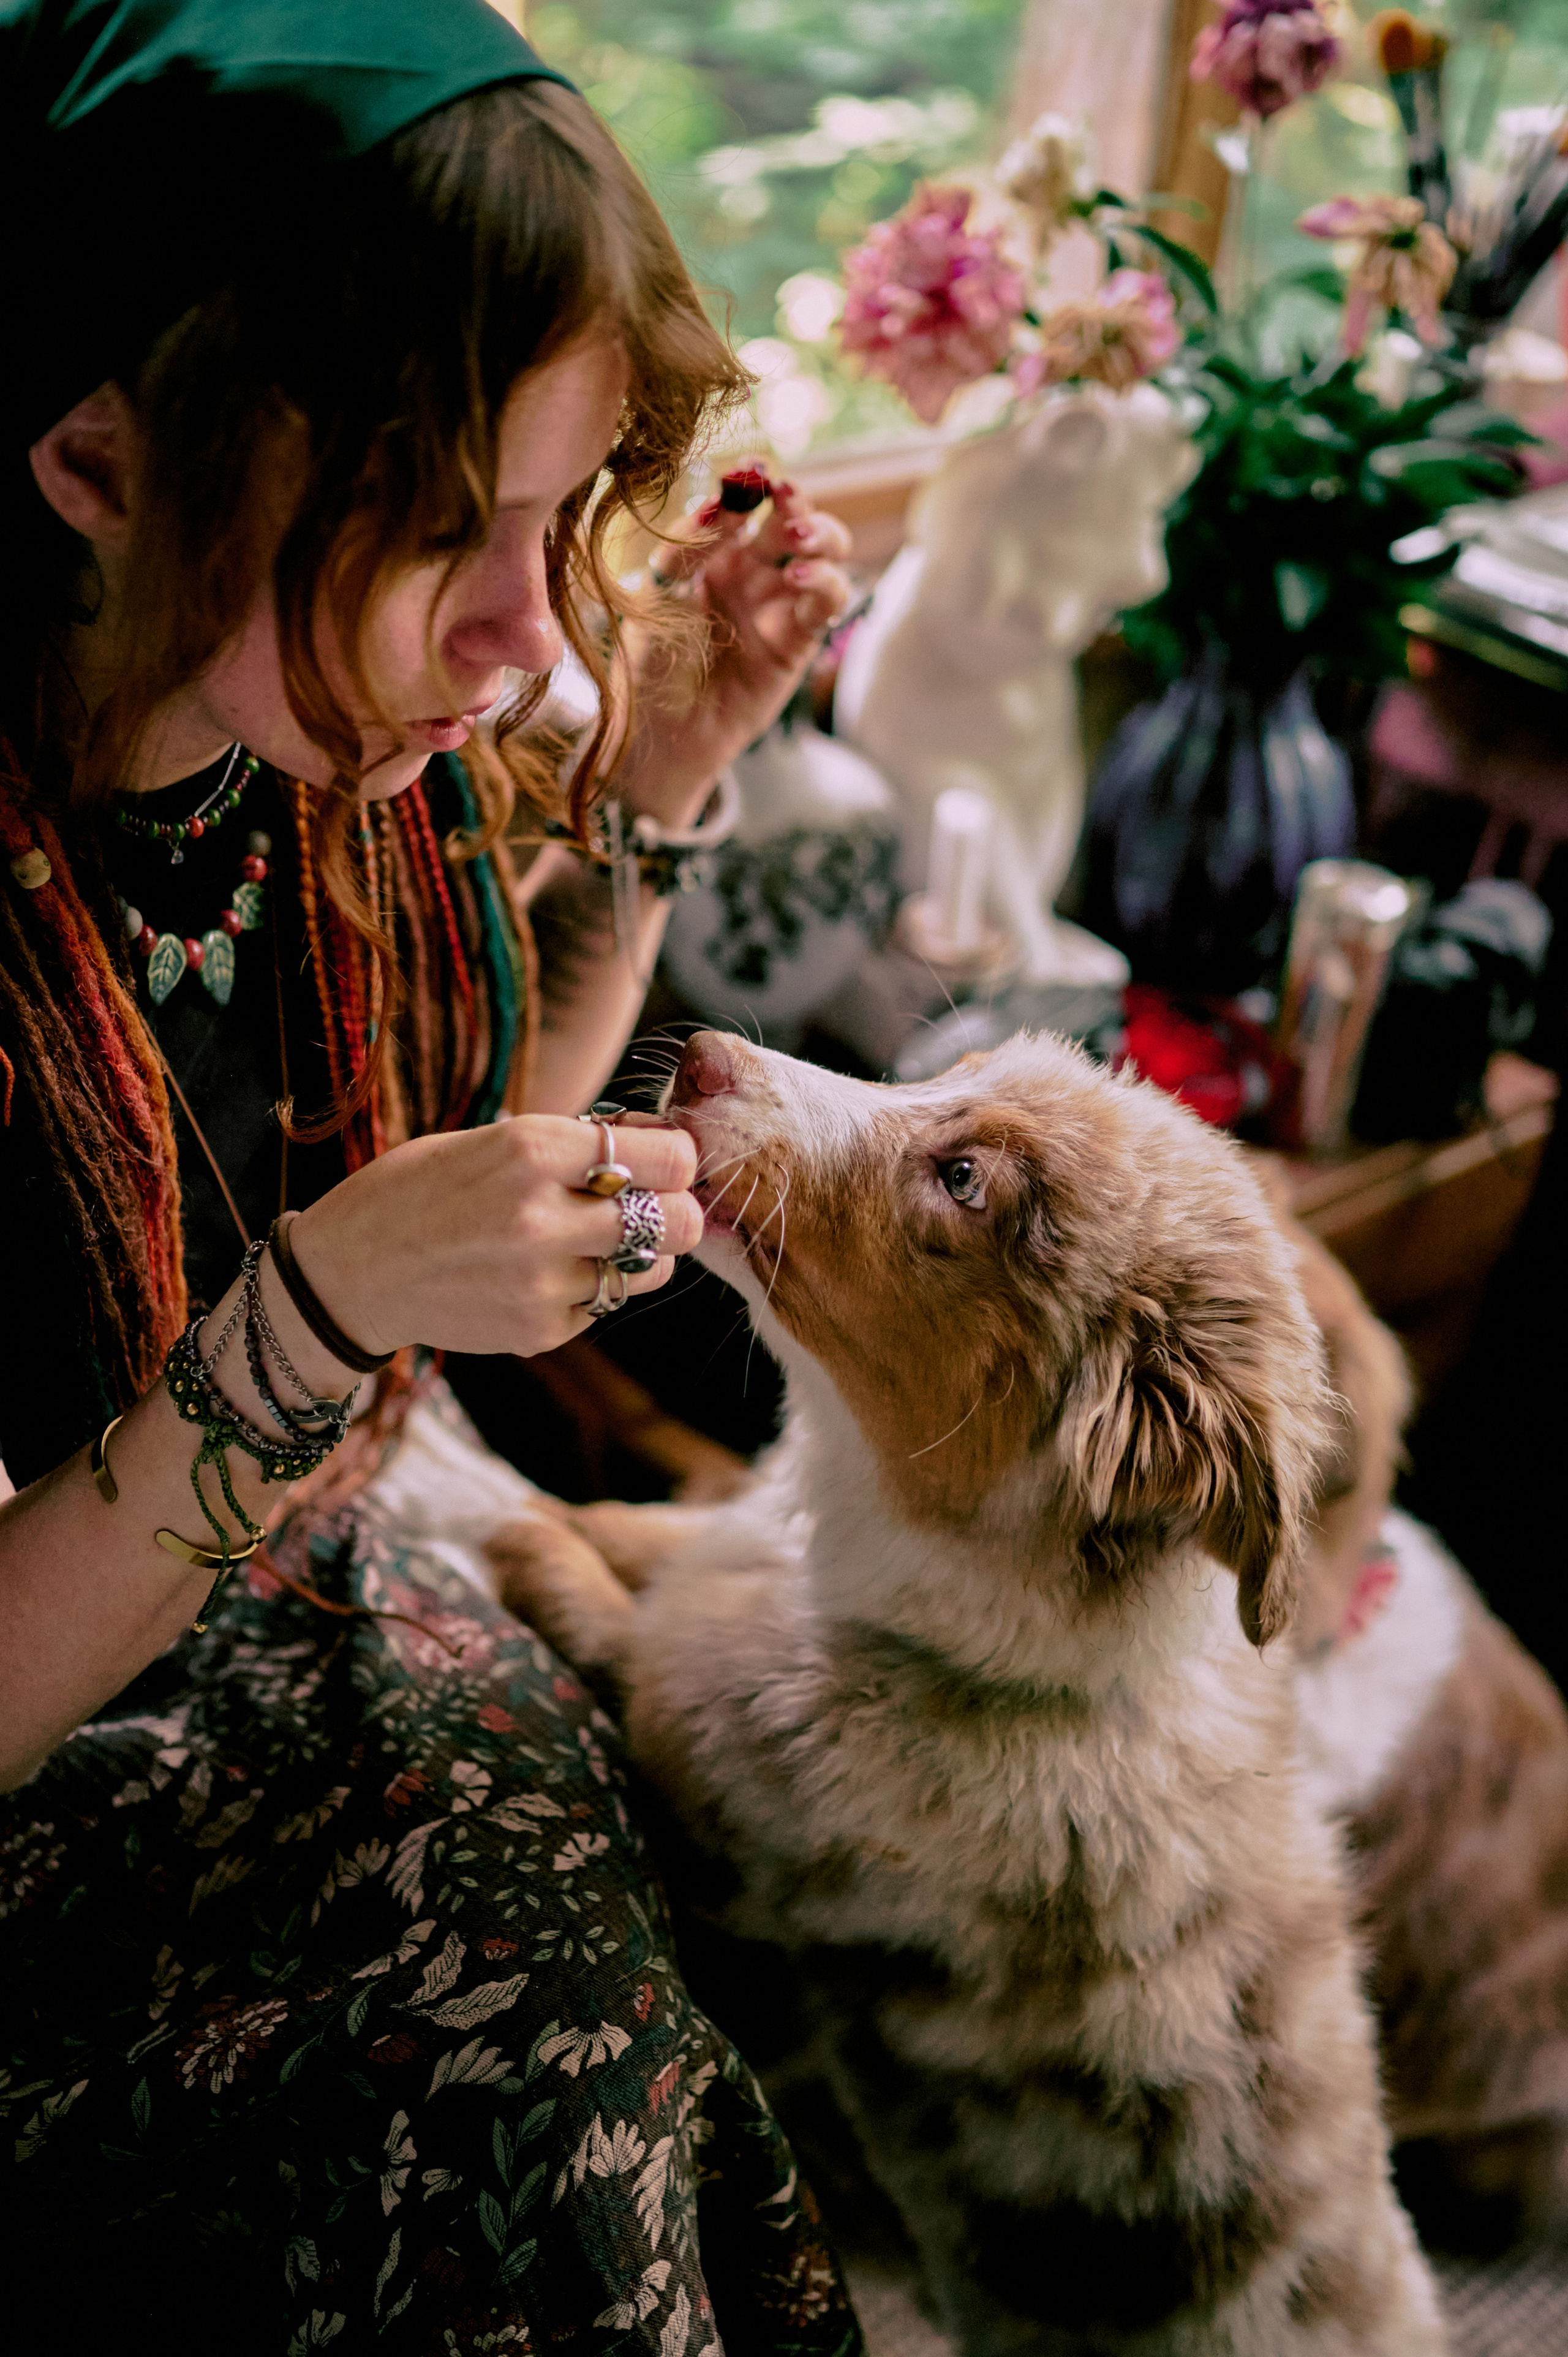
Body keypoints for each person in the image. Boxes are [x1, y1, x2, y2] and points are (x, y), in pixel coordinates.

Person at [0, 3, 860, 2348]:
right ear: (95, 458)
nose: (523, 632)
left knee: (608, 2024)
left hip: (297, 1542)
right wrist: (314, 1315)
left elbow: (453, 1155)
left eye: (555, 516)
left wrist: (664, 783)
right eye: (429, 521)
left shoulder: (319, 743)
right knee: (539, 2091)